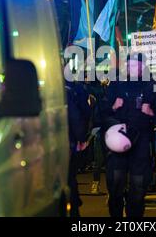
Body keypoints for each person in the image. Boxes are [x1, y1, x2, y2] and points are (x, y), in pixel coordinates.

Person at [104, 53, 155, 217]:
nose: (129, 68)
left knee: (138, 184)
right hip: (118, 138)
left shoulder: (151, 84)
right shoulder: (117, 83)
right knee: (116, 182)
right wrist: (112, 106)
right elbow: (101, 111)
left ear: (142, 67)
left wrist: (151, 113)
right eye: (128, 64)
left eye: (133, 65)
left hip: (141, 139)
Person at [65, 80, 91, 217]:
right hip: (66, 141)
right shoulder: (71, 88)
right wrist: (81, 137)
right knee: (69, 178)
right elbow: (78, 114)